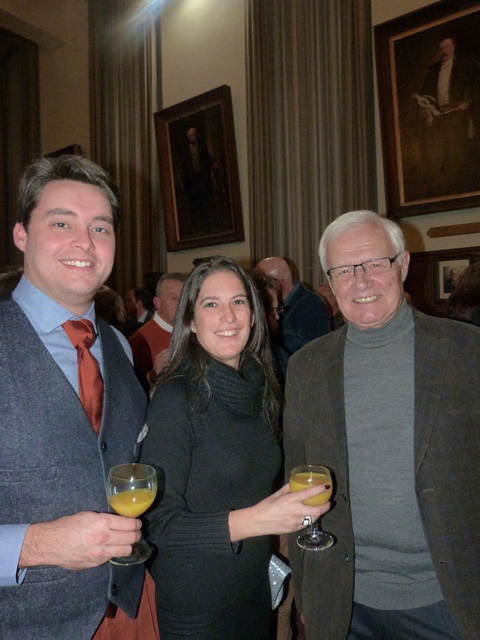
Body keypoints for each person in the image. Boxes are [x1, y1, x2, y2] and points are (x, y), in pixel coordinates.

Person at [283, 210, 480, 640]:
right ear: (329, 282)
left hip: (449, 601)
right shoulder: (306, 367)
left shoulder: (468, 352)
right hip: (345, 603)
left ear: (403, 265)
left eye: (375, 263)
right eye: (344, 270)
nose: (361, 281)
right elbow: (296, 487)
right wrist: (309, 595)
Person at [0, 154, 158, 639]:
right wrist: (34, 545)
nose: (85, 242)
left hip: (128, 610)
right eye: (61, 222)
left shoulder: (117, 346)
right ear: (21, 234)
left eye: (100, 227)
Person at [140, 256, 331, 639]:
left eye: (238, 301)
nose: (228, 316)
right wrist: (259, 520)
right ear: (191, 321)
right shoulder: (177, 398)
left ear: (255, 314)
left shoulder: (261, 384)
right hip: (198, 603)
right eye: (211, 304)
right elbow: (157, 525)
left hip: (253, 589)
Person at [417, 35, 480, 197]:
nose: (443, 51)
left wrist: (467, 103)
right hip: (438, 117)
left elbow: (474, 90)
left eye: (446, 47)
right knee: (435, 156)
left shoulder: (467, 66)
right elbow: (423, 97)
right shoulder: (432, 73)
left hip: (458, 116)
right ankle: (439, 193)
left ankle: (457, 194)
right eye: (440, 48)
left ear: (453, 47)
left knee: (457, 155)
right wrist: (425, 110)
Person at [255, 256, 331, 378]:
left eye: (260, 279)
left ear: (277, 283)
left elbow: (313, 350)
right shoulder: (263, 304)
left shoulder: (312, 304)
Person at [128, 272, 186, 385]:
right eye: (174, 298)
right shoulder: (140, 340)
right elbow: (133, 387)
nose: (181, 304)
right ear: (157, 303)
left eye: (184, 298)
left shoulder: (195, 333)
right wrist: (153, 375)